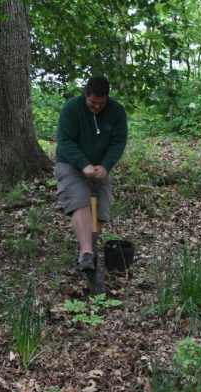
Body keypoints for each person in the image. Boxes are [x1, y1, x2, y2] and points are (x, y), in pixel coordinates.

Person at [55, 76, 128, 273]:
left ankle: (90, 243)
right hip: (71, 165)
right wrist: (83, 164)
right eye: (92, 102)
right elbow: (64, 141)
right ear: (86, 94)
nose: (96, 106)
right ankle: (86, 254)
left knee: (102, 210)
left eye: (101, 103)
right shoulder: (71, 109)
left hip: (100, 167)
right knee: (80, 201)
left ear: (107, 98)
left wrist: (105, 166)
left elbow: (118, 142)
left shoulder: (117, 112)